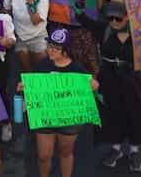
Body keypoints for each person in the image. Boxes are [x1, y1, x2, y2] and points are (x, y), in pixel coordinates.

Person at [84, 1, 141, 172]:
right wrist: (81, 0)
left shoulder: (138, 31)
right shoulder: (104, 29)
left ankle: (134, 151)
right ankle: (116, 149)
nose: (114, 21)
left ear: (128, 17)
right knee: (112, 113)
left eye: (118, 18)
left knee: (134, 113)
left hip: (131, 79)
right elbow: (81, 17)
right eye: (111, 17)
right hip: (109, 79)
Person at [27, 29, 96, 177]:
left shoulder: (77, 69)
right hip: (46, 117)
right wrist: (26, 88)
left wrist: (90, 85)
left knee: (65, 153)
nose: (50, 50)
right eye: (49, 46)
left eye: (56, 48)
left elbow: (94, 86)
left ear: (66, 51)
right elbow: (33, 86)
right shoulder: (42, 65)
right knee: (43, 156)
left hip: (68, 119)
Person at [4, 0, 48, 72]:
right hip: (20, 38)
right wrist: (11, 29)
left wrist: (31, 3)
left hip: (38, 36)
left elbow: (36, 21)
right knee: (27, 72)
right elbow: (6, 10)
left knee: (41, 71)